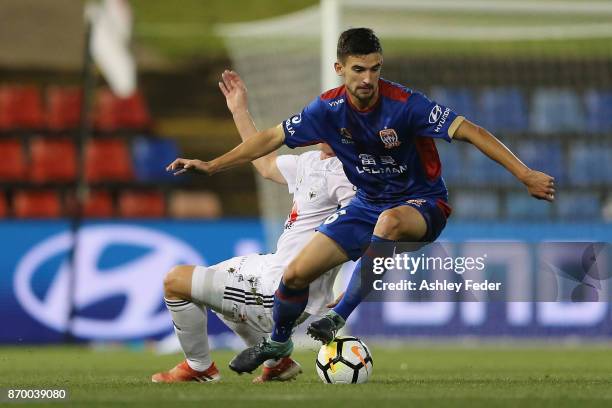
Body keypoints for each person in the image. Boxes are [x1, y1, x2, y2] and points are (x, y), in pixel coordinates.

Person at [166, 28, 555, 375]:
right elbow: (270, 140)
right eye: (358, 70)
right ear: (340, 68)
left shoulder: (406, 104)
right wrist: (213, 165)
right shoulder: (327, 109)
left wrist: (524, 174)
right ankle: (280, 343)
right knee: (296, 273)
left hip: (423, 205)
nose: (368, 78)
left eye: (374, 68)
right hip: (366, 205)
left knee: (389, 223)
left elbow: (470, 130)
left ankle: (338, 316)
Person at [153, 71, 355, 384]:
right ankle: (277, 362)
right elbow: (263, 164)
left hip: (280, 291)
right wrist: (239, 110)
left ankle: (199, 367)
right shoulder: (310, 162)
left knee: (176, 281)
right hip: (271, 269)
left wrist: (346, 293)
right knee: (216, 285)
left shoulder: (347, 173)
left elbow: (363, 227)